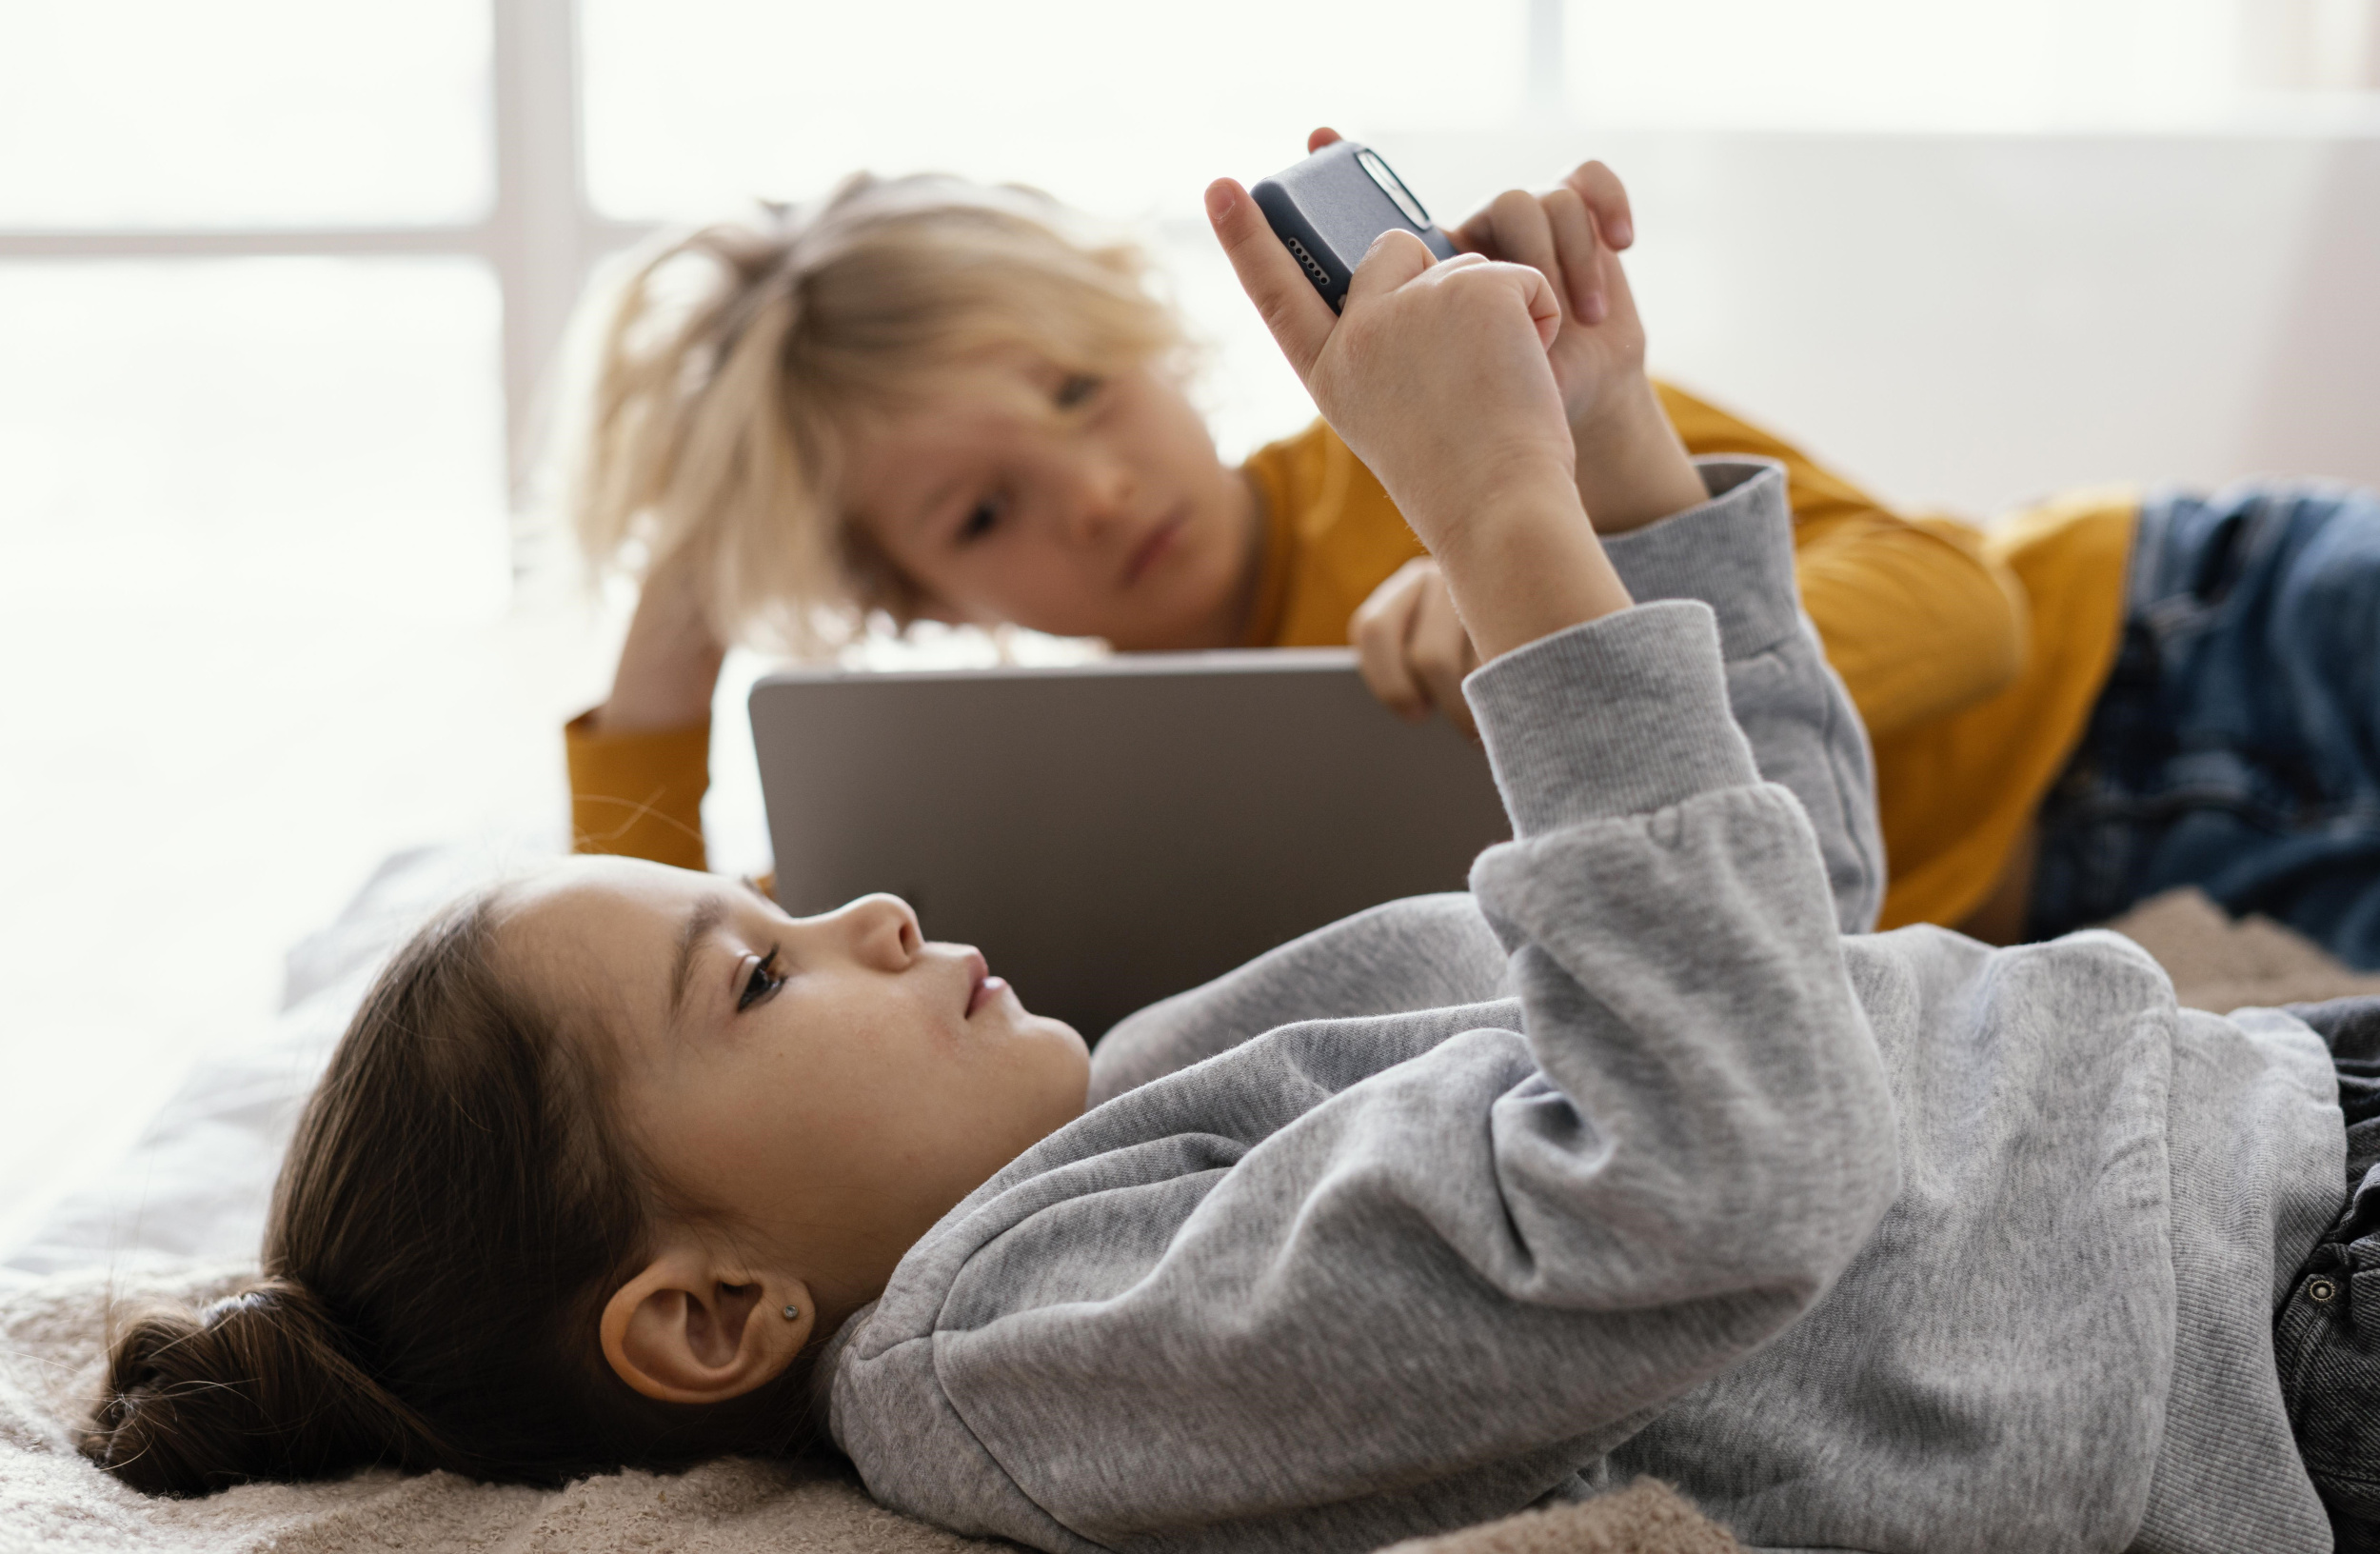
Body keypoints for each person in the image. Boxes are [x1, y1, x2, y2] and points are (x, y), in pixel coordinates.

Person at [86, 157, 2372, 1554]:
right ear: (709, 1316)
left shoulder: (1121, 1129)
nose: (861, 905)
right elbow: (1727, 1172)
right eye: (765, 973)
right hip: (2271, 1315)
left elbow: (1791, 961)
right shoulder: (1019, 1350)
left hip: (2248, 1119)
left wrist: (1612, 459)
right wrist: (1499, 532)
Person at [555, 131, 2036, 941]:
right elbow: (691, 996)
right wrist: (680, 617)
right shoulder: (1064, 810)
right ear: (915, 596)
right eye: (983, 511)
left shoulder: (1454, 421)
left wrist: (1529, 586)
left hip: (2158, 653)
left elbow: (1966, 604)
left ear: (1147, 339)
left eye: (1082, 392)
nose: (1100, 493)